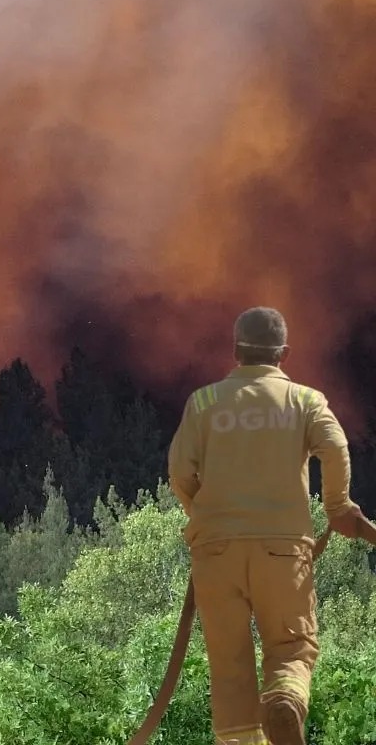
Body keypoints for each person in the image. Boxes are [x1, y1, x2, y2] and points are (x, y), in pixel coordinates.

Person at [168, 307, 369, 745]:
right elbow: (335, 447)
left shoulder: (203, 402)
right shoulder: (305, 400)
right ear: (285, 353)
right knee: (291, 648)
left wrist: (207, 519)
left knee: (229, 665)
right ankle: (284, 697)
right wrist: (337, 506)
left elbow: (180, 473)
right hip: (282, 552)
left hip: (216, 554)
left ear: (236, 350)